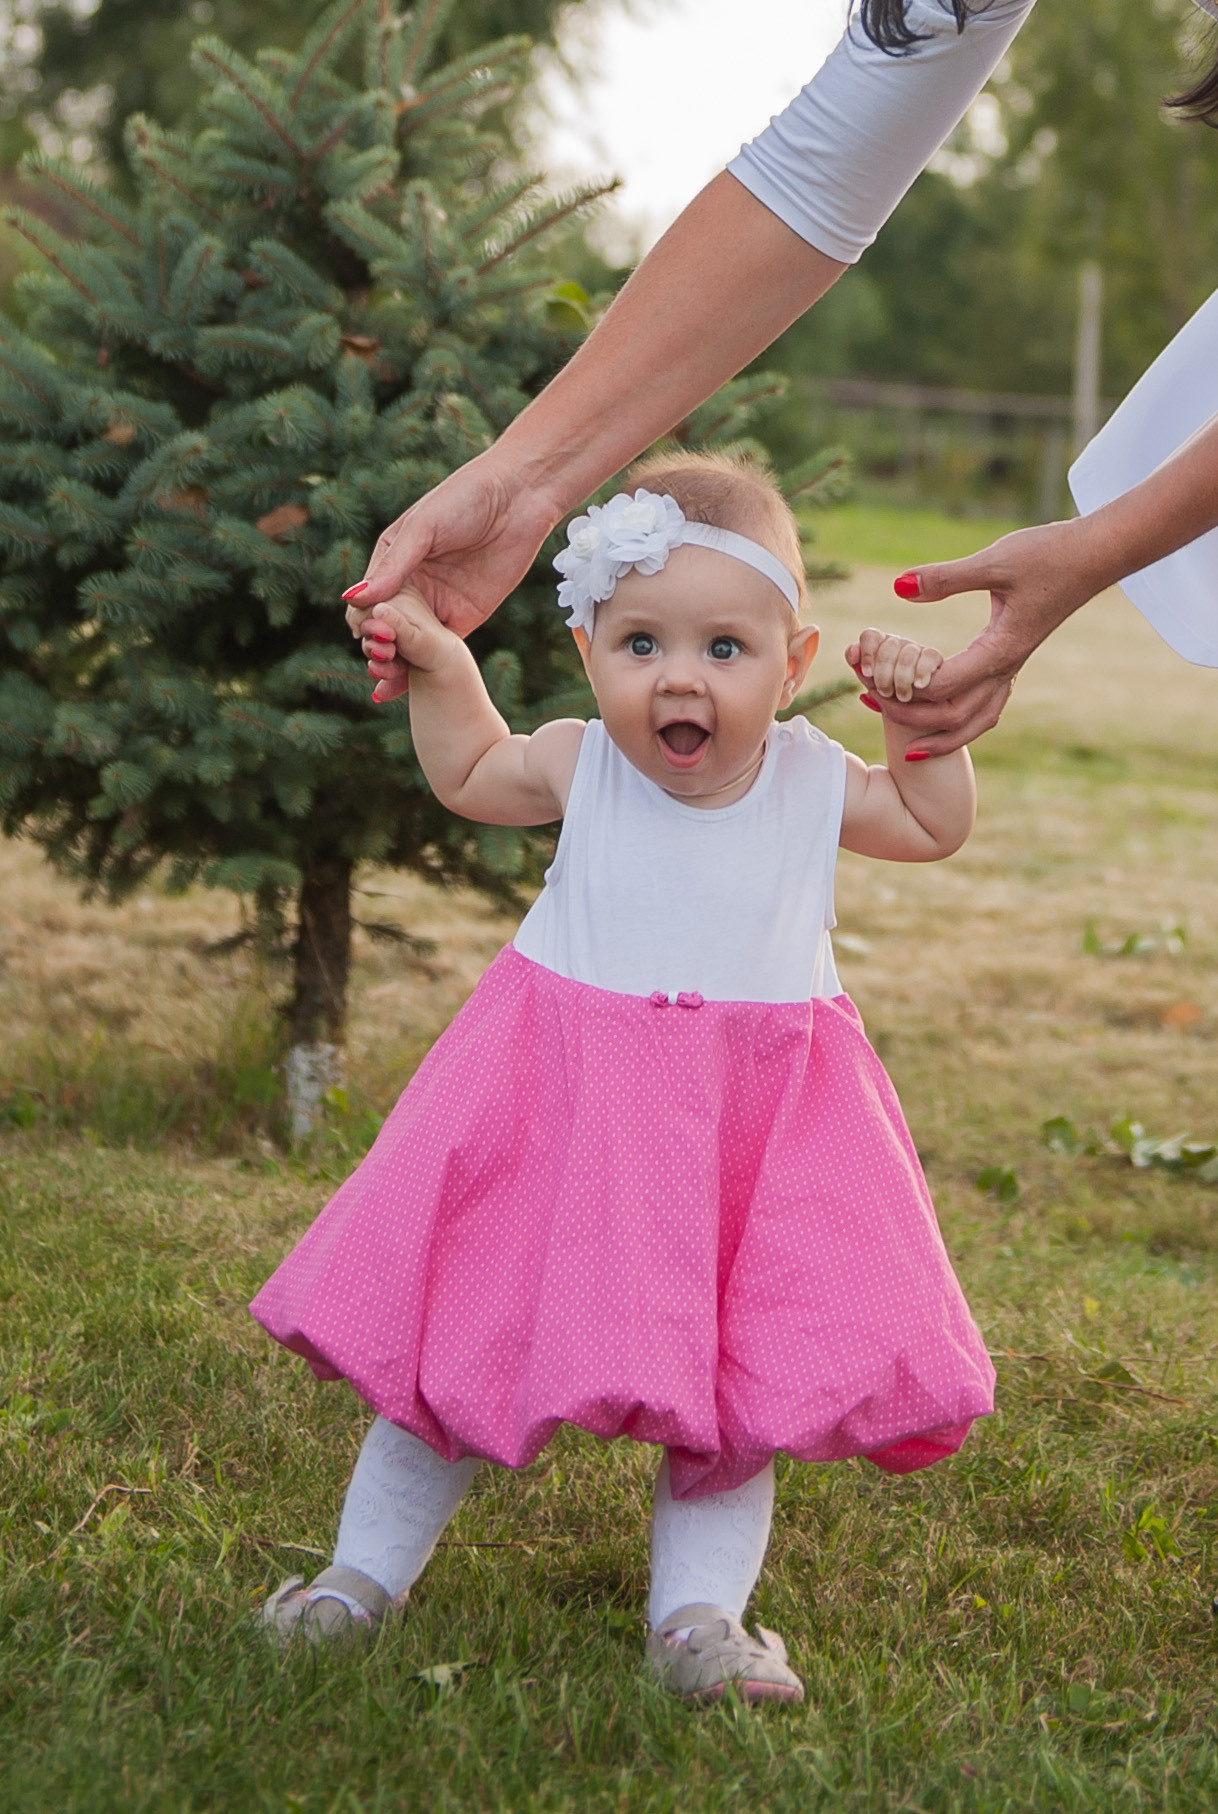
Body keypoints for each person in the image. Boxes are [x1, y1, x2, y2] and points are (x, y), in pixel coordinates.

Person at [252, 453, 994, 1702]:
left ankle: (699, 1619)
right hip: (561, 1101)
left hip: (748, 1124)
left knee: (732, 1381)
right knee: (460, 1344)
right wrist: (446, 668)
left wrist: (922, 734)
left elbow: (930, 825)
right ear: (591, 650)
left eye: (724, 647)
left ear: (792, 660)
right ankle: (353, 1580)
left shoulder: (814, 780)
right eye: (641, 642)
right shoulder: (581, 759)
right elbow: (474, 775)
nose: (680, 677)